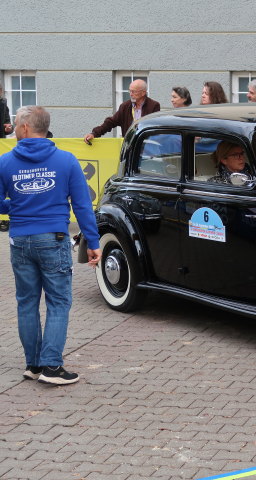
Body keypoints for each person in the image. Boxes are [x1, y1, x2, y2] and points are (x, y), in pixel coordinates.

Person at [0, 106, 101, 385]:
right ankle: (52, 367)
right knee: (58, 302)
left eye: (16, 124)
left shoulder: (5, 162)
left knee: (26, 302)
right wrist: (93, 242)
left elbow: (0, 203)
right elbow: (82, 205)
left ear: (24, 129)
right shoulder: (66, 160)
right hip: (53, 239)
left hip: (19, 239)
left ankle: (33, 364)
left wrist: (18, 204)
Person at [84, 79, 160, 144]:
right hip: (129, 145)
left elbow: (155, 128)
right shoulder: (125, 106)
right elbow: (111, 122)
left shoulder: (153, 106)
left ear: (143, 93)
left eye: (134, 92)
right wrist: (94, 133)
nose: (131, 94)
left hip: (146, 146)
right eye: (129, 91)